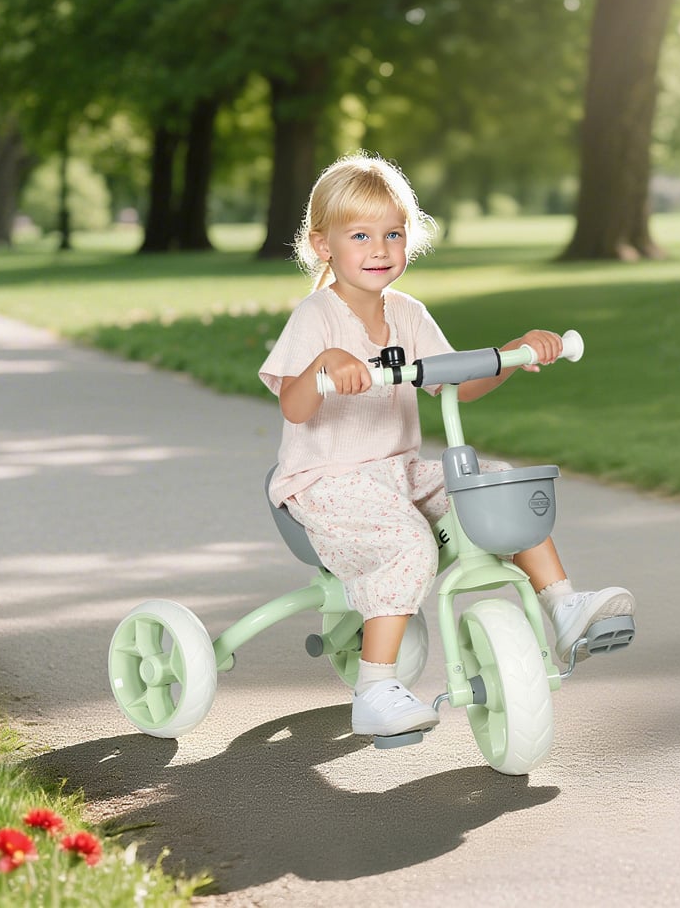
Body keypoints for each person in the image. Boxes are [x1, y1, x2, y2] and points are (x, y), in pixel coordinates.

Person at [260, 153, 634, 739]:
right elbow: (294, 406)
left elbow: (458, 379)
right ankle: (375, 686)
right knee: (408, 541)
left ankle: (562, 608)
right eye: (360, 235)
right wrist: (325, 365)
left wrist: (515, 352)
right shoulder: (316, 317)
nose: (380, 248)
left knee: (498, 484)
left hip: (399, 471)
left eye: (393, 234)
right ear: (323, 244)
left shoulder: (408, 314)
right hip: (324, 481)